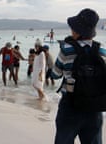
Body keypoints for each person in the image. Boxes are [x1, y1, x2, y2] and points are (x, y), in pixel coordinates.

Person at [51, 8, 104, 144]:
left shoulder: (66, 49)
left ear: (77, 31)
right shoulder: (102, 51)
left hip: (70, 106)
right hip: (95, 108)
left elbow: (56, 74)